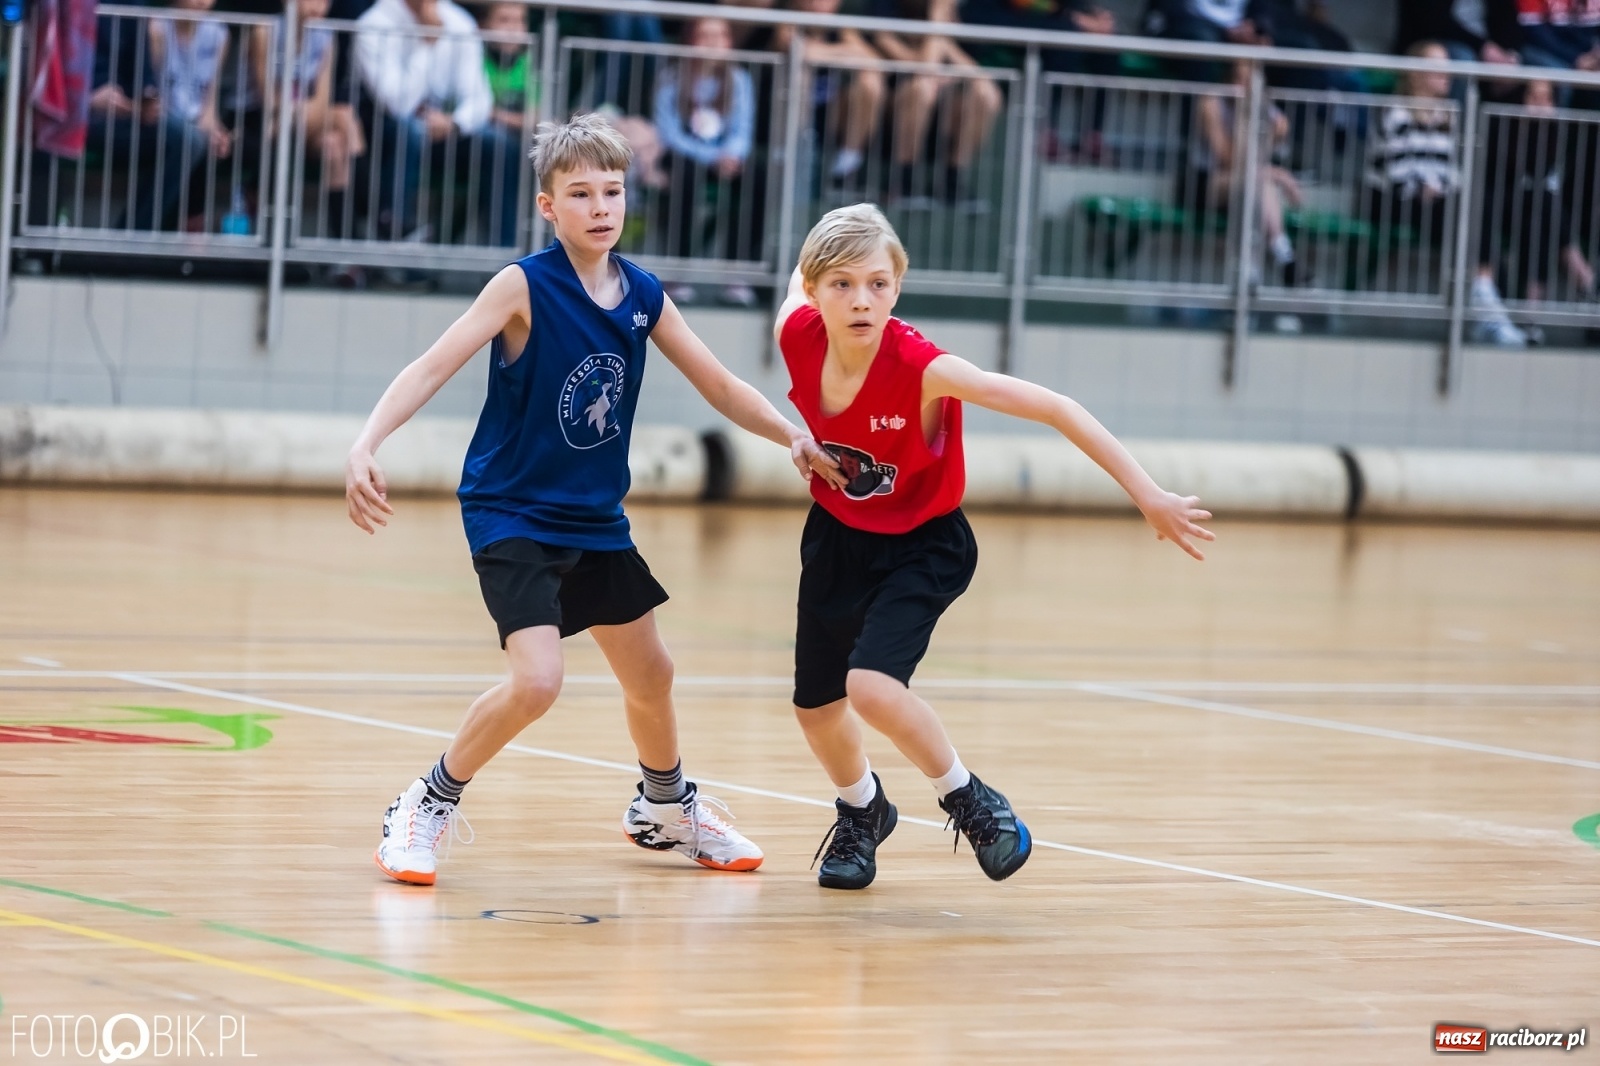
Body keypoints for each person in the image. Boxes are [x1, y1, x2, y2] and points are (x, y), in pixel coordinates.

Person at [347, 113, 845, 887]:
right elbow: (431, 364)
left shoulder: (642, 294)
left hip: (594, 515)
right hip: (511, 509)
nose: (600, 207)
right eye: (580, 193)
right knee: (538, 680)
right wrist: (365, 442)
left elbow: (718, 383)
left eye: (611, 190)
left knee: (652, 674)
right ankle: (425, 802)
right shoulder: (523, 285)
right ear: (549, 207)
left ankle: (664, 806)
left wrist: (793, 435)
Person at [773, 204, 1214, 890]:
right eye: (842, 285)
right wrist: (798, 434)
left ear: (898, 286)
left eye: (879, 284)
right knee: (816, 708)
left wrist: (1149, 494)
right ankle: (864, 811)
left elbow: (1057, 407)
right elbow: (789, 305)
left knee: (871, 688)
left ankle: (967, 797)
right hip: (838, 537)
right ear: (812, 287)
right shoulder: (796, 333)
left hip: (923, 544)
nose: (862, 300)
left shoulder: (922, 366)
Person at [1365, 41, 1526, 346]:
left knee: (1475, 206)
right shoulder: (1396, 112)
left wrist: (1443, 188)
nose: (1447, 74)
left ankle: (1486, 301)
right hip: (1394, 199)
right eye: (1439, 66)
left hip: (1437, 199)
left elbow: (1452, 169)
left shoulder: (1448, 115)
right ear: (1417, 73)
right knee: (1461, 213)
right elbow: (1393, 170)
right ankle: (1489, 308)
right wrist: (1428, 188)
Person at [354, 0, 520, 246]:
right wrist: (428, 41)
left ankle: (505, 260)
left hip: (445, 130)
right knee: (408, 131)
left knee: (500, 145)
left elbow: (479, 98)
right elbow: (397, 104)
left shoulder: (459, 22)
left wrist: (454, 123)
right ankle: (396, 241)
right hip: (386, 133)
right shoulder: (373, 23)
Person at [652, 16, 762, 305]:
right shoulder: (672, 77)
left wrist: (731, 155)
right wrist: (711, 157)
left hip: (725, 156)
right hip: (686, 154)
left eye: (720, 36)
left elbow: (743, 127)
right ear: (690, 40)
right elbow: (669, 132)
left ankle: (738, 270)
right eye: (705, 36)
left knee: (758, 176)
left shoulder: (738, 79)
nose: (713, 43)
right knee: (684, 175)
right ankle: (679, 269)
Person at [239, 0, 364, 231]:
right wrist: (298, 111)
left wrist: (300, 112)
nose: (319, 5)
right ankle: (371, 204)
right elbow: (267, 97)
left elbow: (322, 97)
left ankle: (344, 239)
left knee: (334, 144)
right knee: (343, 115)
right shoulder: (265, 31)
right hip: (258, 121)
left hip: (303, 119)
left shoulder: (326, 36)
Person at [871, 0, 1001, 210]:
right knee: (922, 89)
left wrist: (942, 38)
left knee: (987, 95)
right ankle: (904, 180)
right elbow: (925, 67)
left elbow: (979, 76)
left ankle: (952, 180)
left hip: (945, 110)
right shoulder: (886, 6)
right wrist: (938, 19)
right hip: (892, 108)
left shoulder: (967, 10)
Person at [1190, 59, 1305, 286]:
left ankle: (1269, 261)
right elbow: (1227, 159)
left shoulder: (1263, 108)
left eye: (1250, 82)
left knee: (1259, 186)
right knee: (1258, 181)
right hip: (1205, 183)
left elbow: (1256, 163)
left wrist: (1272, 138)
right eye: (1239, 80)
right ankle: (1274, 258)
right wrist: (1278, 173)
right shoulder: (1211, 103)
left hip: (1248, 184)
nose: (1244, 88)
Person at [775, 0, 886, 189]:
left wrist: (823, 52)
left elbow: (872, 60)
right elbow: (799, 51)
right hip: (787, 116)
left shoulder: (842, 28)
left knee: (870, 80)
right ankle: (790, 155)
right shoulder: (788, 22)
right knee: (799, 74)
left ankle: (848, 161)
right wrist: (847, 54)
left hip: (832, 113)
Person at [478, 1, 538, 136]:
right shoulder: (475, 58)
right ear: (484, 25)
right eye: (504, 20)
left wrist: (495, 115)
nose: (513, 28)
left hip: (519, 142)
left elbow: (537, 118)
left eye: (520, 20)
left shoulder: (531, 63)